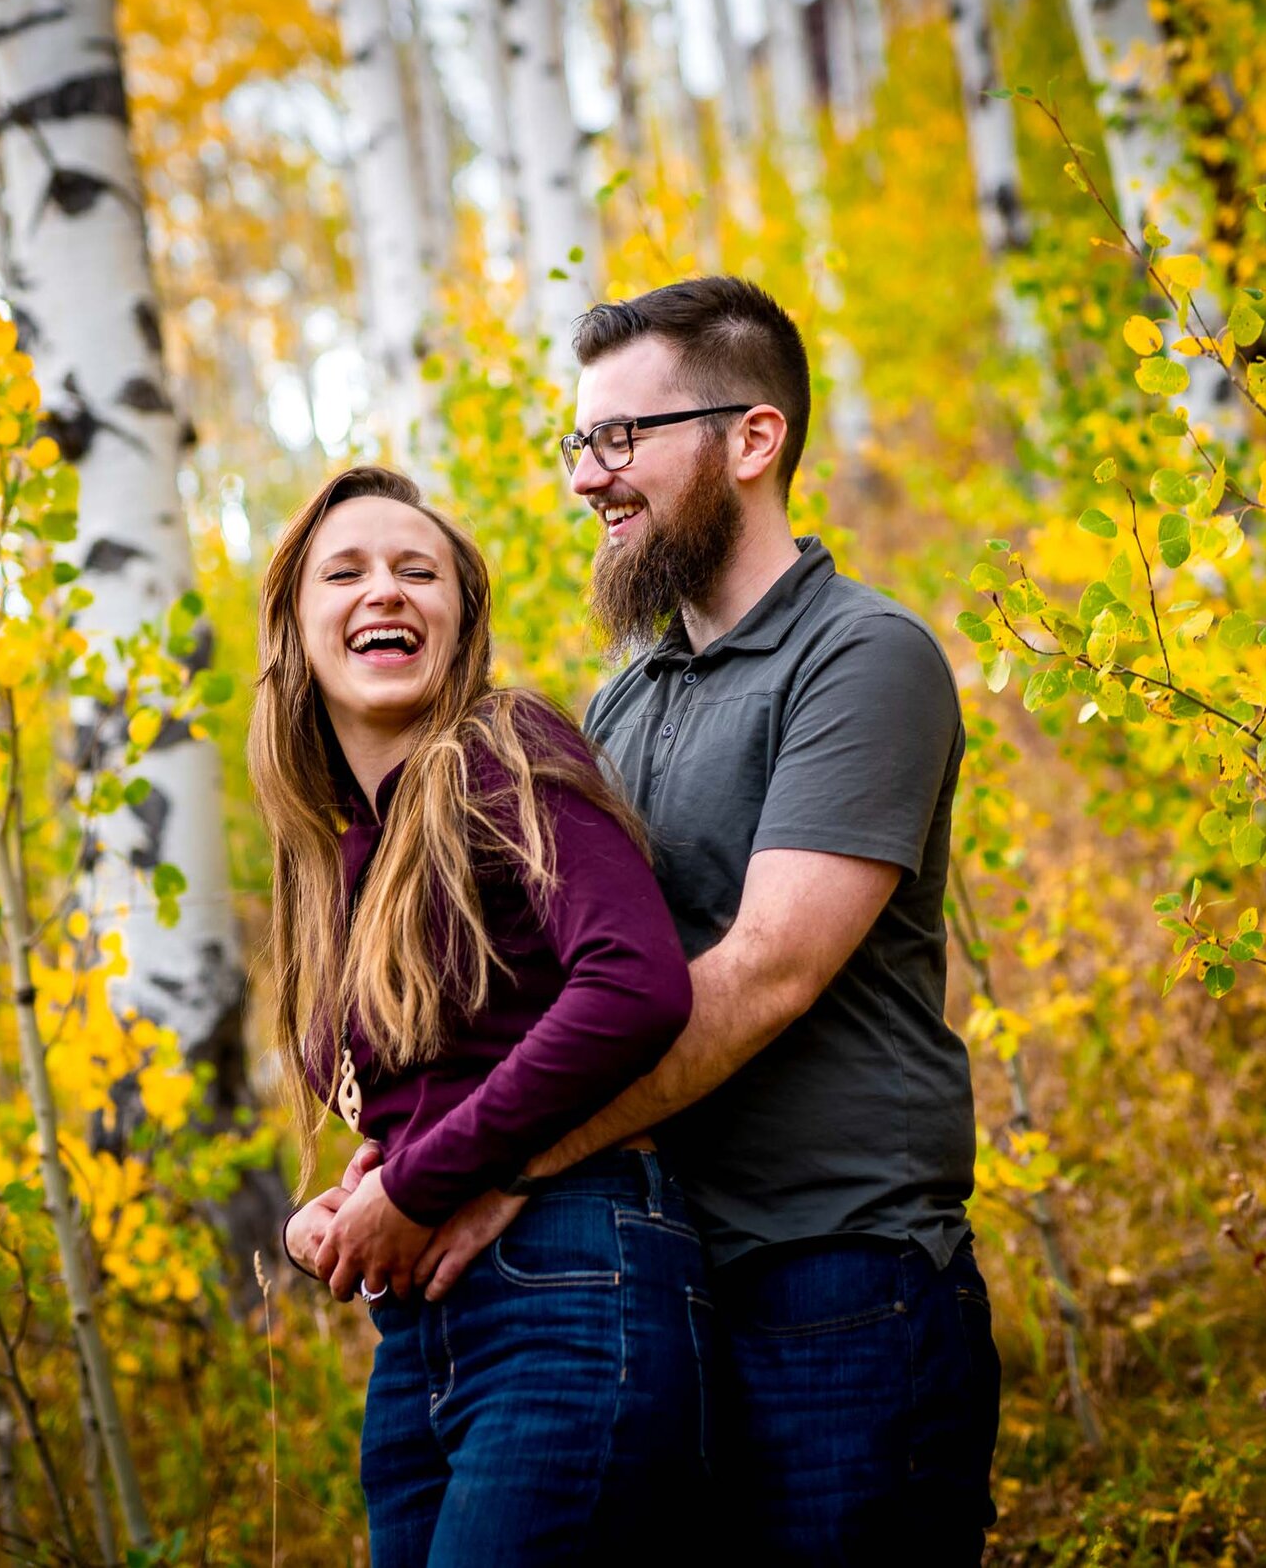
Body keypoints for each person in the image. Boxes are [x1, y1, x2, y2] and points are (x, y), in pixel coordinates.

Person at [413, 276, 1001, 1561]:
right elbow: (546, 994)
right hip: (652, 1294)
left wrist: (497, 1164)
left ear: (752, 440)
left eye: (623, 439)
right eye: (581, 442)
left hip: (837, 1287)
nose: (589, 479)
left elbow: (765, 975)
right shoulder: (618, 703)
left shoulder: (861, 658)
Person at [259, 467, 709, 1566]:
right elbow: (442, 1082)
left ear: (461, 621)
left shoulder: (504, 751)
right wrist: (342, 1205)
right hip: (420, 1329)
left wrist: (417, 1182)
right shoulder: (339, 853)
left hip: (569, 1276)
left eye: (420, 572)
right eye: (347, 571)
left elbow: (633, 983)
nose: (388, 592)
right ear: (295, 629)